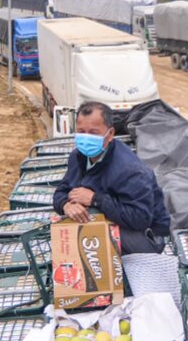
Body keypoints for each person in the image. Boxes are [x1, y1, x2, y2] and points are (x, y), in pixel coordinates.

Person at [53, 101, 171, 254]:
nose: (86, 138)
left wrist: (96, 199)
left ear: (110, 134)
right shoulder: (77, 157)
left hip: (145, 235)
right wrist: (65, 205)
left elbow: (140, 219)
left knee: (88, 232)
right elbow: (61, 192)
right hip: (109, 219)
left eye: (93, 133)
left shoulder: (131, 170)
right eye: (81, 131)